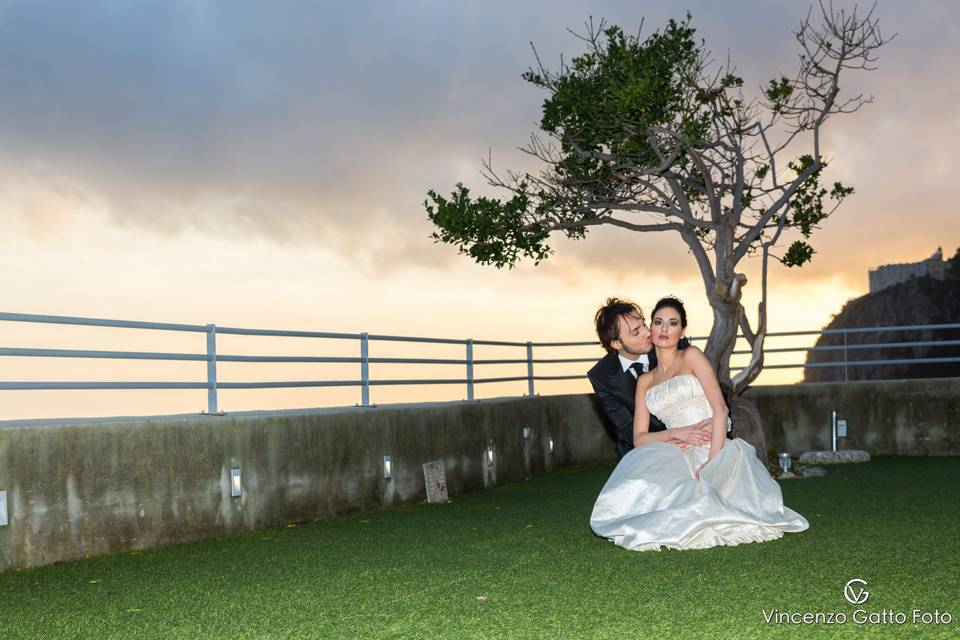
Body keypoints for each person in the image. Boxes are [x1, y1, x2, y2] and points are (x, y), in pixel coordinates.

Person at [590, 296, 809, 551]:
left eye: (672, 323)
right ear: (618, 343)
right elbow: (636, 436)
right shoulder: (643, 380)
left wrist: (712, 462)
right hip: (673, 447)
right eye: (657, 322)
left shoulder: (692, 355)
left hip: (711, 443)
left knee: (708, 498)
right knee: (646, 497)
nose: (659, 330)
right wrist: (678, 434)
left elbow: (720, 407)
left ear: (682, 329)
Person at [587, 298, 711, 459]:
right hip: (643, 450)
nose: (647, 333)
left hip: (699, 435)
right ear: (617, 344)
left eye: (644, 324)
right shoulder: (601, 376)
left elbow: (710, 391)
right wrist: (669, 441)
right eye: (635, 332)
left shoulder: (670, 342)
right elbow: (626, 427)